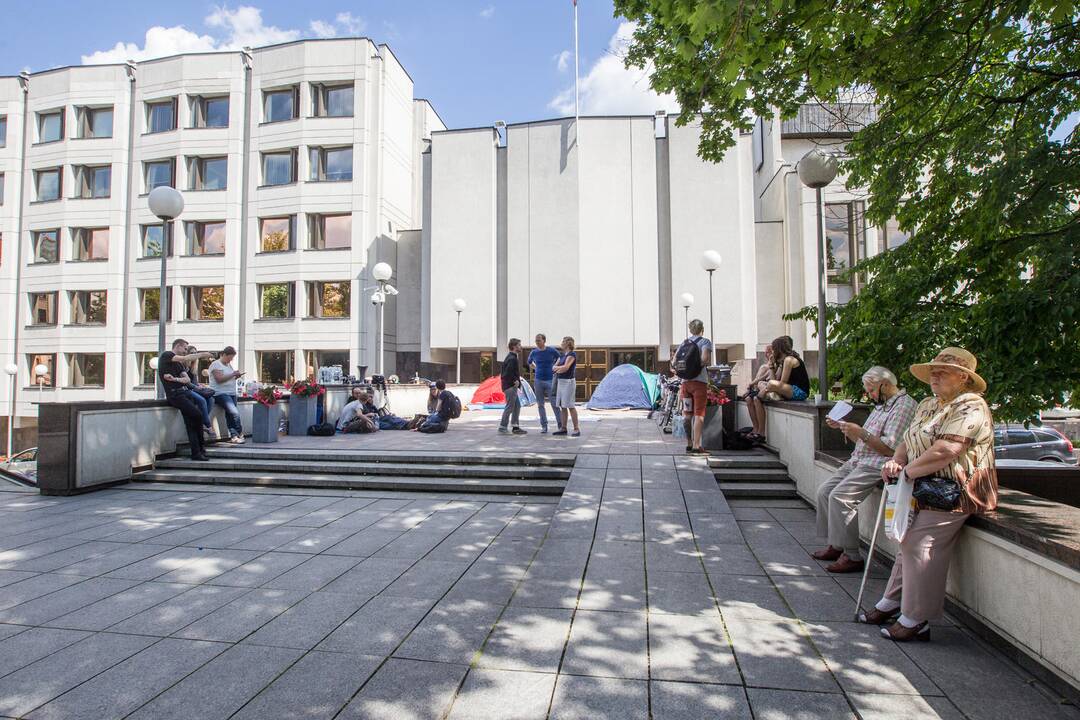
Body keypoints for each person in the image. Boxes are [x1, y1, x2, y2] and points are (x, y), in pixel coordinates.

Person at [860, 347, 998, 642]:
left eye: (942, 371)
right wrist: (897, 461)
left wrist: (908, 473)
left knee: (920, 543)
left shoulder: (971, 405)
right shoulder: (927, 404)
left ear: (962, 377)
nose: (934, 376)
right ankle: (893, 601)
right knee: (907, 539)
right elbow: (908, 440)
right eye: (932, 371)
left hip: (955, 490)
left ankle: (917, 617)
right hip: (923, 486)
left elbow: (948, 450)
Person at [812, 366, 918, 573]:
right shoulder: (882, 405)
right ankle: (836, 544)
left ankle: (851, 555)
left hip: (877, 463)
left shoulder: (904, 406)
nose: (869, 395)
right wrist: (846, 428)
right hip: (859, 459)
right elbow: (863, 441)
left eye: (871, 390)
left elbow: (890, 448)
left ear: (884, 385)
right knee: (824, 492)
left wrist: (861, 432)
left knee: (841, 497)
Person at [158, 339, 215, 461]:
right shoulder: (167, 355)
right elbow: (185, 359)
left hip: (184, 393)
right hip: (175, 395)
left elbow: (187, 380)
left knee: (192, 423)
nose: (185, 351)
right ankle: (199, 450)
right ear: (178, 346)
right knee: (197, 415)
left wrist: (174, 379)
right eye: (184, 348)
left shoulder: (178, 364)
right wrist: (203, 354)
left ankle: (198, 452)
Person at [746, 336, 808, 443]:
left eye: (773, 349)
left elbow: (781, 383)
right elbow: (775, 380)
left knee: (766, 386)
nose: (772, 352)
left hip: (799, 391)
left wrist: (767, 388)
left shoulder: (789, 360)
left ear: (779, 349)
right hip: (787, 390)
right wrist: (771, 367)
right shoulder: (782, 361)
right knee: (760, 389)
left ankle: (762, 395)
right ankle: (760, 431)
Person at [676, 319, 712, 454]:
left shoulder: (684, 343)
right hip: (699, 383)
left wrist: (687, 371)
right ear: (702, 329)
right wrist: (696, 367)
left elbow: (675, 362)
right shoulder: (705, 342)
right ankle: (697, 446)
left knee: (687, 414)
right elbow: (704, 359)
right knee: (699, 414)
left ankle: (689, 443)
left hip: (685, 384)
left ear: (690, 330)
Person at [209, 346, 245, 444]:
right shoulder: (216, 364)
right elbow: (219, 379)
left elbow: (228, 378)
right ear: (224, 354)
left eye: (232, 358)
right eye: (230, 357)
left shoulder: (228, 365)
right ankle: (239, 432)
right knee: (234, 412)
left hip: (232, 392)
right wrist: (233, 374)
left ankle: (234, 436)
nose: (231, 360)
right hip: (220, 393)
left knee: (230, 414)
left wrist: (236, 376)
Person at [528, 333, 562, 434]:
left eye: (539, 340)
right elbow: (530, 363)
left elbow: (560, 358)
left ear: (544, 341)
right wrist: (536, 368)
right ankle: (544, 426)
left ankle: (560, 425)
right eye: (536, 340)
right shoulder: (533, 352)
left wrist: (554, 367)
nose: (537, 342)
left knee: (554, 404)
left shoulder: (551, 350)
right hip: (538, 380)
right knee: (540, 405)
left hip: (550, 380)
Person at [552, 336, 580, 437]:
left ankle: (576, 429)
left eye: (563, 341)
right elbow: (554, 367)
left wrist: (558, 368)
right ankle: (563, 428)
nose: (561, 343)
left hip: (568, 382)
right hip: (561, 382)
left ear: (568, 343)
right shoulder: (563, 356)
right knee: (562, 406)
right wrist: (558, 368)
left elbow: (566, 368)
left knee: (570, 406)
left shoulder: (572, 354)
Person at [498, 338, 527, 435]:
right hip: (510, 387)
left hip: (510, 386)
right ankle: (502, 427)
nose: (520, 347)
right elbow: (506, 373)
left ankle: (515, 427)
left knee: (517, 405)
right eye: (519, 345)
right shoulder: (512, 358)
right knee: (510, 407)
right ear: (514, 346)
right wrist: (515, 381)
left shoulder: (511, 357)